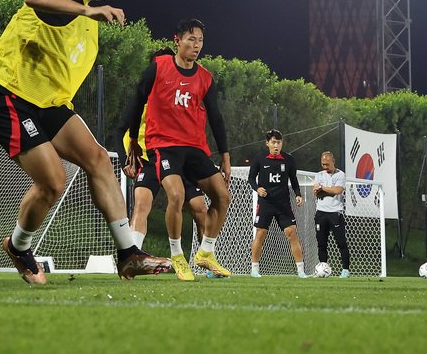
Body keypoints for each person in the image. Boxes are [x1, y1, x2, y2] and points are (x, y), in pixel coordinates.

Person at [0, 0, 171, 284]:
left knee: (98, 159)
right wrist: (87, 8)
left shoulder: (89, 18)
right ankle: (19, 246)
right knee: (53, 183)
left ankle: (128, 254)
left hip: (48, 103)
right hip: (9, 94)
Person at [120, 19, 234, 280]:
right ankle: (177, 256)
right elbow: (137, 103)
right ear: (177, 40)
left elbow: (216, 118)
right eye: (191, 39)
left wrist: (225, 155)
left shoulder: (205, 78)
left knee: (222, 196)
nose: (196, 45)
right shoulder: (158, 68)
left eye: (200, 41)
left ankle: (205, 253)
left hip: (194, 148)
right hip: (164, 146)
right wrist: (135, 141)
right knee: (176, 195)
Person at [248, 130, 307, 277]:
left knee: (292, 233)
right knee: (260, 234)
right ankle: (254, 270)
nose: (276, 145)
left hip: (283, 204)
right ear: (267, 143)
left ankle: (301, 271)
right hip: (266, 203)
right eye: (273, 142)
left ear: (282, 143)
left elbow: (294, 180)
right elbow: (251, 179)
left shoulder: (289, 160)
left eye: (279, 142)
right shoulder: (259, 159)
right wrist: (257, 188)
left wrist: (298, 194)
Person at [312, 151, 351, 278]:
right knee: (321, 243)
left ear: (333, 161)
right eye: (323, 164)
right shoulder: (318, 175)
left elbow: (338, 190)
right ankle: (323, 268)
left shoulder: (341, 175)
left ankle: (345, 270)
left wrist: (323, 188)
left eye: (327, 164)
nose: (325, 167)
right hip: (321, 213)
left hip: (335, 213)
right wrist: (329, 190)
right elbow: (316, 192)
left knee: (341, 242)